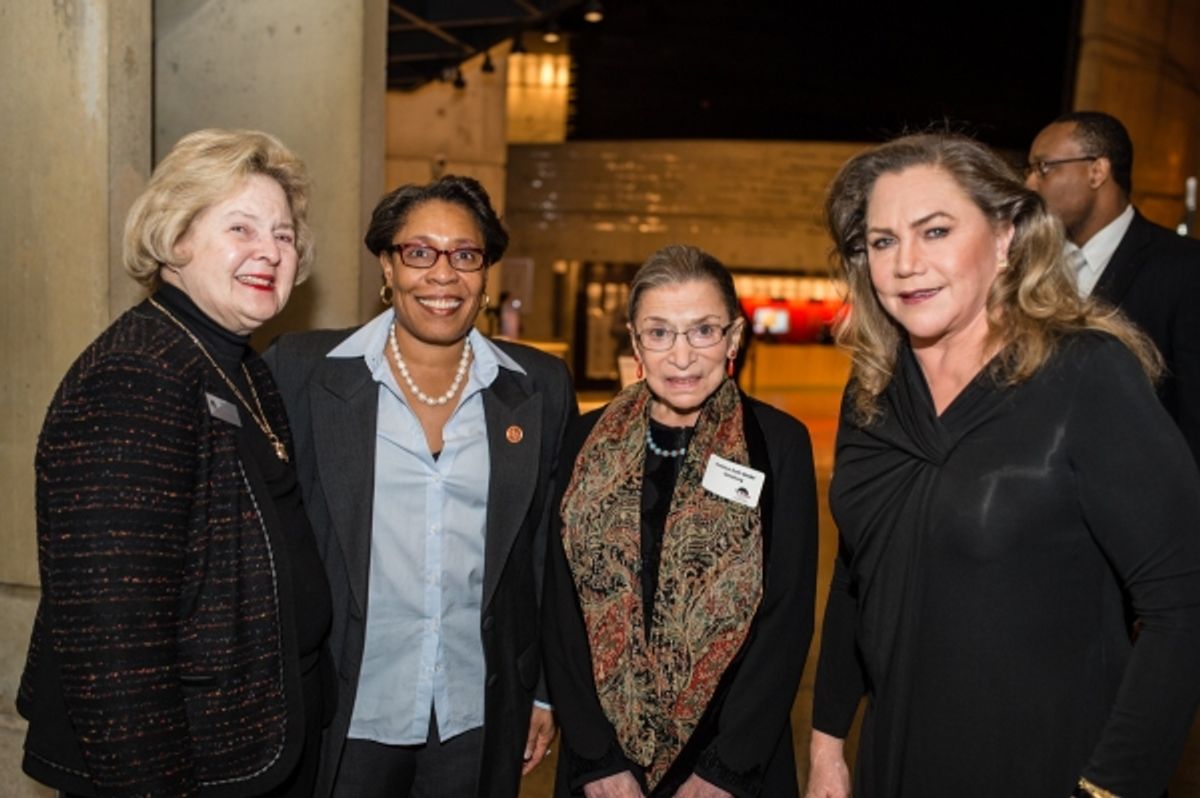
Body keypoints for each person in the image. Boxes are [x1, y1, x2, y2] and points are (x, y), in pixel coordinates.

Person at [805, 133, 1200, 798]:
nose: (906, 263)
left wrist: (1111, 787)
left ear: (1007, 237)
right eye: (881, 240)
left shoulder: (1085, 374)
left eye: (935, 231)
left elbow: (1183, 603)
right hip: (895, 758)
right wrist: (826, 745)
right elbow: (858, 574)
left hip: (1045, 766)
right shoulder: (872, 388)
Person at [17, 128, 334, 797]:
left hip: (260, 745)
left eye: (282, 233)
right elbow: (111, 641)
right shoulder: (137, 376)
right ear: (175, 237)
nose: (268, 251)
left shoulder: (244, 370)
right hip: (184, 767)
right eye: (240, 227)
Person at [263, 175, 577, 798]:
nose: (443, 275)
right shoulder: (300, 371)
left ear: (486, 271)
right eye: (419, 252)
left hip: (475, 711)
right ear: (387, 263)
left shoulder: (538, 387)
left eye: (465, 255)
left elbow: (548, 550)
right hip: (346, 705)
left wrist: (544, 688)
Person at [544, 244, 819, 798]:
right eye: (660, 332)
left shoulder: (778, 444)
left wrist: (725, 767)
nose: (682, 356)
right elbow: (558, 602)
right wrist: (595, 756)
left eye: (703, 331)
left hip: (731, 761)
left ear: (734, 338)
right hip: (603, 761)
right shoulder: (583, 440)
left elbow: (786, 615)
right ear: (635, 340)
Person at [1026, 111, 1200, 465]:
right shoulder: (1028, 263)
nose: (1030, 184)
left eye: (1044, 168)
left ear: (1097, 171)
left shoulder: (1185, 268)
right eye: (1029, 169)